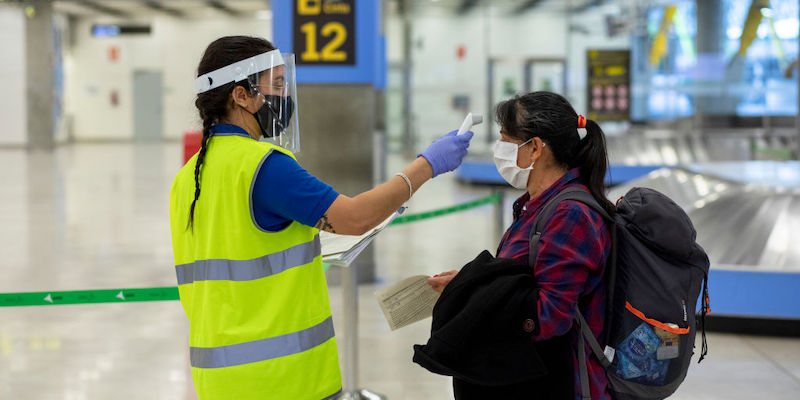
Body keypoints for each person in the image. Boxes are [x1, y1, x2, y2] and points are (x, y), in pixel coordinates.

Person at [169, 36, 473, 400]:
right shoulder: (264, 166)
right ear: (241, 95)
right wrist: (428, 165)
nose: (285, 96)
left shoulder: (188, 178)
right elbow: (355, 217)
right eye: (277, 85)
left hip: (220, 381)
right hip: (284, 379)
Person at [428, 91, 614, 399]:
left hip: (562, 386)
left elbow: (547, 317)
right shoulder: (537, 206)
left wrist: (471, 297)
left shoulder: (571, 216)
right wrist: (466, 282)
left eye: (505, 140)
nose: (498, 150)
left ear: (536, 148)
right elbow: (522, 280)